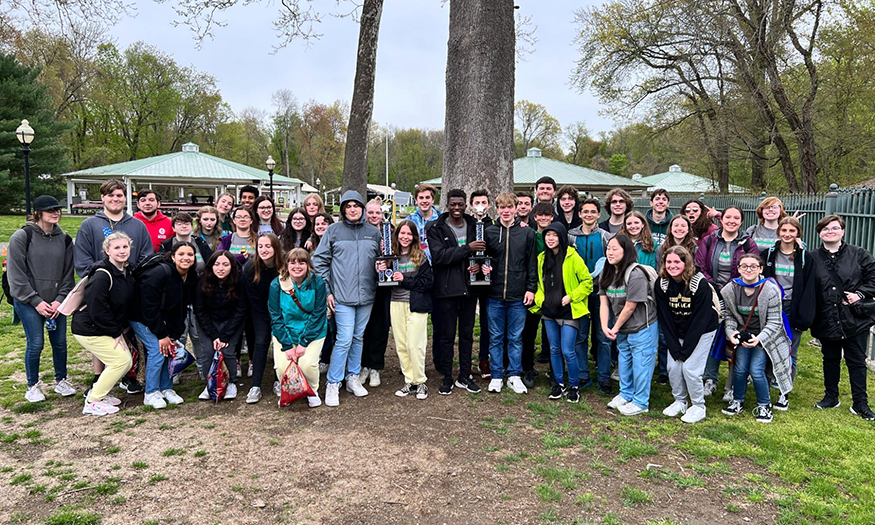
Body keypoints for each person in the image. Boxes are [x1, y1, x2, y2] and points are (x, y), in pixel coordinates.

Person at [74, 179, 152, 395]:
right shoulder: (90, 225)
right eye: (111, 195)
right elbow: (82, 261)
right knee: (104, 332)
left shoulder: (137, 225)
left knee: (130, 333)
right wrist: (102, 279)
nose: (115, 199)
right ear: (103, 198)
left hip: (130, 289)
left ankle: (129, 375)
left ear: (125, 198)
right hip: (101, 288)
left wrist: (131, 278)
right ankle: (100, 377)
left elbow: (146, 255)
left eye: (119, 195)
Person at [312, 190, 380, 407]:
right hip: (341, 296)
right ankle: (333, 382)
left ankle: (352, 376)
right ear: (343, 209)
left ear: (362, 208)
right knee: (344, 338)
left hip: (367, 295)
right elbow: (319, 261)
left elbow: (383, 259)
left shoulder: (374, 232)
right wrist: (328, 291)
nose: (353, 209)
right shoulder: (333, 231)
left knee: (358, 336)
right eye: (348, 206)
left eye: (356, 205)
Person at [8, 195, 76, 402]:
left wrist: (60, 299)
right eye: (50, 210)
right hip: (28, 301)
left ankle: (61, 380)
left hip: (56, 301)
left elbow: (68, 274)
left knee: (60, 343)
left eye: (58, 209)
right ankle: (32, 385)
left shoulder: (64, 239)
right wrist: (36, 301)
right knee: (36, 343)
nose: (56, 213)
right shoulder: (21, 237)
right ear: (38, 212)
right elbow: (16, 275)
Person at [809, 214, 875, 420]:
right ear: (819, 233)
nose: (830, 232)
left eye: (835, 228)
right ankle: (831, 396)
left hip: (853, 317)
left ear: (842, 231)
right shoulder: (812, 258)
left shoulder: (859, 254)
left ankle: (860, 403)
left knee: (856, 360)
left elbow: (873, 277)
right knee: (830, 358)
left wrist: (860, 294)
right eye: (826, 229)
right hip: (826, 316)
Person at [720, 253, 793, 424]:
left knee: (756, 369)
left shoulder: (770, 289)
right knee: (739, 368)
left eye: (753, 266)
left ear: (761, 269)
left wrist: (759, 339)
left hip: (766, 336)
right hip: (743, 334)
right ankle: (737, 401)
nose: (748, 269)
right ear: (738, 269)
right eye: (744, 266)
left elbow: (775, 322)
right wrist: (731, 333)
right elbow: (729, 316)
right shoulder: (730, 289)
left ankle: (764, 406)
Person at [696, 206, 759, 399]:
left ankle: (731, 386)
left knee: (735, 339)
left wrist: (732, 288)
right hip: (712, 295)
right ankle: (710, 380)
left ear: (741, 222)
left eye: (736, 218)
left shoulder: (748, 243)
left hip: (738, 296)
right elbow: (700, 265)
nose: (731, 220)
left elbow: (753, 267)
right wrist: (714, 287)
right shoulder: (709, 240)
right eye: (727, 217)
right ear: (721, 220)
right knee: (711, 337)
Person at [72, 232, 136, 415]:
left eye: (125, 247)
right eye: (117, 247)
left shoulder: (126, 270)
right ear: (107, 251)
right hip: (88, 328)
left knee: (120, 360)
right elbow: (97, 309)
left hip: (103, 326)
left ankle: (99, 393)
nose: (122, 251)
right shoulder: (102, 275)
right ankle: (92, 401)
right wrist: (116, 333)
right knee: (121, 361)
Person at [427, 189, 483, 395]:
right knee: (447, 336)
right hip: (446, 289)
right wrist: (467, 249)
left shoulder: (475, 226)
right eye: (453, 204)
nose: (457, 208)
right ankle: (447, 377)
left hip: (469, 289)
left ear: (466, 205)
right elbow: (440, 256)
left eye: (460, 204)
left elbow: (484, 252)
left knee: (467, 334)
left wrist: (478, 265)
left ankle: (464, 376)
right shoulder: (436, 228)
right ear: (447, 205)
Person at [655, 246, 720, 423]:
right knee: (673, 367)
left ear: (686, 262)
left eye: (677, 261)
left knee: (691, 369)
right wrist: (675, 347)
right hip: (677, 329)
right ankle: (680, 401)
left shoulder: (699, 284)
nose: (672, 265)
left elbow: (700, 320)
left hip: (702, 330)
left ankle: (699, 406)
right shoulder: (662, 283)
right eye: (669, 262)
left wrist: (686, 350)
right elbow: (665, 318)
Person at [129, 242, 197, 409]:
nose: (186, 258)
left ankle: (166, 388)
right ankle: (151, 392)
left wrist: (173, 334)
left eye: (190, 254)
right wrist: (161, 334)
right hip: (140, 316)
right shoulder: (159, 273)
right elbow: (148, 307)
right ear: (173, 256)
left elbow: (181, 307)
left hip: (163, 317)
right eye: (181, 254)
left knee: (169, 349)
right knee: (157, 349)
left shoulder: (191, 276)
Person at [481, 193, 537, 394]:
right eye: (502, 207)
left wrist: (531, 288)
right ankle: (497, 375)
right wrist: (484, 270)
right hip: (494, 294)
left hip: (518, 294)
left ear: (516, 209)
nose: (506, 211)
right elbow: (483, 259)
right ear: (497, 209)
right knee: (495, 337)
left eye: (510, 207)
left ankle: (514, 374)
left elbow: (532, 263)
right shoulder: (489, 232)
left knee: (515, 337)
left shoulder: (527, 233)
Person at [532, 222, 592, 404]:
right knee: (554, 349)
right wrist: (540, 300)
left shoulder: (573, 257)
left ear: (561, 237)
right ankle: (558, 384)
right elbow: (538, 285)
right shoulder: (541, 258)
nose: (550, 239)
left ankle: (574, 385)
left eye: (554, 235)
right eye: (547, 235)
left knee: (567, 350)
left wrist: (571, 297)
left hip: (569, 311)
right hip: (549, 311)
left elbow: (587, 281)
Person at [601, 235, 659, 416]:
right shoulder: (607, 271)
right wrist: (605, 326)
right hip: (622, 326)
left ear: (626, 252)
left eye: (614, 249)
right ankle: (626, 393)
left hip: (643, 326)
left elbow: (630, 306)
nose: (610, 252)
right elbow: (604, 302)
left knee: (641, 363)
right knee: (624, 360)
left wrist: (615, 327)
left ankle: (641, 402)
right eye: (608, 248)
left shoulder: (636, 274)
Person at [761, 217, 815, 410]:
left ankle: (784, 392)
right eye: (784, 230)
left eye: (792, 231)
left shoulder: (804, 258)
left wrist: (804, 316)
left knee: (790, 351)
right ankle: (765, 389)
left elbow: (809, 288)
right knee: (768, 348)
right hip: (773, 306)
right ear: (779, 232)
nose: (787, 234)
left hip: (794, 307)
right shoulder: (768, 254)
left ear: (798, 233)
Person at [378, 221, 433, 400]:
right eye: (402, 233)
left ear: (414, 236)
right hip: (396, 303)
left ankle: (421, 381)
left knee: (414, 345)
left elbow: (427, 283)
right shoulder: (390, 256)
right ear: (397, 235)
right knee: (401, 345)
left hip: (416, 305)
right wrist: (379, 269)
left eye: (409, 234)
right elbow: (382, 282)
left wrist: (404, 280)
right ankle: (410, 381)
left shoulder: (421, 256)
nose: (405, 237)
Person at [269, 248, 328, 408]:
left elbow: (318, 313)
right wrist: (287, 346)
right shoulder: (276, 284)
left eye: (302, 262)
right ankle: (289, 391)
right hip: (286, 331)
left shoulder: (318, 282)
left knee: (307, 364)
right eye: (292, 262)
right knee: (282, 366)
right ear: (286, 265)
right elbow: (276, 317)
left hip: (312, 331)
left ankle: (312, 390)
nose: (297, 266)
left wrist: (304, 343)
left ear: (308, 265)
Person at [568, 198, 613, 394]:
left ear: (598, 214)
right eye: (585, 211)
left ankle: (604, 377)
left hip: (600, 292)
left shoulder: (606, 237)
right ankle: (582, 375)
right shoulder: (571, 236)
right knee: (580, 336)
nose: (588, 215)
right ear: (580, 214)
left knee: (603, 336)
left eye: (592, 212)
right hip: (579, 294)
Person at [192, 251, 247, 401]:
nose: (220, 268)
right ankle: (209, 383)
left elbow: (241, 310)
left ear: (232, 266)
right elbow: (199, 310)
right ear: (211, 266)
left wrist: (224, 336)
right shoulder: (202, 281)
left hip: (231, 322)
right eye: (217, 264)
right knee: (208, 351)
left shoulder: (239, 281)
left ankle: (231, 382)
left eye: (225, 264)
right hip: (208, 322)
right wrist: (214, 335)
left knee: (227, 350)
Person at [242, 233, 284, 403]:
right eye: (261, 246)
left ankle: (279, 380)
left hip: (282, 311)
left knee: (280, 343)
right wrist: (267, 318)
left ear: (275, 247)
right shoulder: (250, 268)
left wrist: (277, 317)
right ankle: (255, 386)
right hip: (260, 311)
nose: (264, 250)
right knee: (261, 342)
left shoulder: (284, 265)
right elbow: (253, 299)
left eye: (268, 246)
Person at [361, 197, 391, 387]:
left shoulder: (390, 231)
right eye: (370, 212)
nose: (374, 216)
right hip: (363, 283)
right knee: (364, 327)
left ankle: (376, 366)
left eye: (377, 212)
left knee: (380, 326)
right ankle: (363, 364)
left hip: (385, 286)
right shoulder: (360, 231)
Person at [525, 202, 556, 371]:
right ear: (534, 217)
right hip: (533, 289)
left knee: (552, 332)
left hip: (553, 290)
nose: (543, 218)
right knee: (529, 331)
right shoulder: (529, 235)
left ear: (552, 217)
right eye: (540, 215)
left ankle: (554, 369)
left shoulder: (558, 238)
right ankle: (528, 367)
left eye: (547, 215)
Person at [469, 189, 495, 378]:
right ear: (471, 205)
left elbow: (497, 251)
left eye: (484, 202)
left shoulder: (494, 225)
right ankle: (464, 360)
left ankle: (484, 359)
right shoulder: (467, 224)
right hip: (468, 280)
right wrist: (469, 267)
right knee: (468, 323)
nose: (480, 206)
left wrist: (488, 267)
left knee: (487, 322)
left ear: (489, 204)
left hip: (488, 281)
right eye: (477, 202)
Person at [409, 183, 440, 262]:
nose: (424, 201)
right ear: (416, 200)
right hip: (416, 264)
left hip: (438, 264)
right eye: (421, 198)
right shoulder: (409, 221)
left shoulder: (441, 220)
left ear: (432, 200)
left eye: (427, 197)